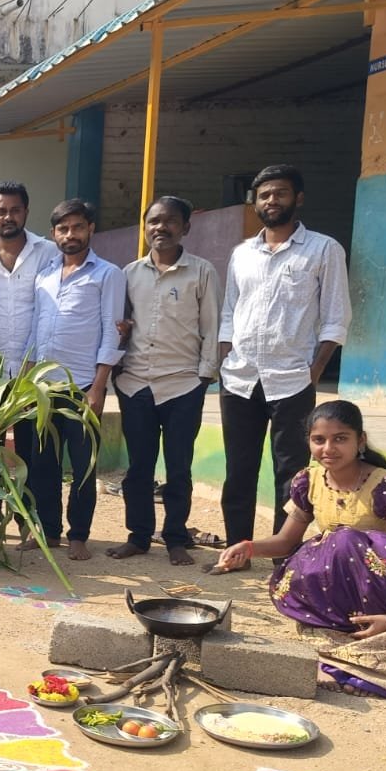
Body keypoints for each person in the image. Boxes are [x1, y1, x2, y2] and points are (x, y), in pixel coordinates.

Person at [217, 401, 386, 704]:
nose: (329, 448)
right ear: (309, 442)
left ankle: (380, 637)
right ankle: (345, 634)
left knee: (345, 542)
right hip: (346, 593)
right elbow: (286, 542)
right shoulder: (309, 480)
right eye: (319, 440)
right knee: (317, 552)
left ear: (361, 441)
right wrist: (248, 547)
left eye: (340, 438)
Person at [218, 164, 351, 567]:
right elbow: (229, 312)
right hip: (239, 379)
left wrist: (314, 371)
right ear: (254, 202)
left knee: (290, 474)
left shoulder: (324, 249)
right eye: (264, 195)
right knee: (238, 470)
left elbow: (335, 317)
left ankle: (284, 559)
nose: (271, 201)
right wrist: (224, 358)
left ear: (298, 199)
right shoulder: (242, 254)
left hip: (292, 380)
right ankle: (235, 551)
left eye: (280, 194)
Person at [107, 197, 221, 568]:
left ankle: (175, 538)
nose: (161, 228)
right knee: (138, 467)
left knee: (178, 467)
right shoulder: (128, 274)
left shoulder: (201, 272)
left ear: (185, 227)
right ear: (145, 227)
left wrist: (205, 376)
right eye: (153, 222)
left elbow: (211, 327)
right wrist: (119, 367)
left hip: (183, 384)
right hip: (136, 384)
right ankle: (138, 536)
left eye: (170, 222)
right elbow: (121, 325)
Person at [22, 198, 125, 561]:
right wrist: (27, 383)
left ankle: (78, 534)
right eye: (63, 229)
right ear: (54, 234)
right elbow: (37, 330)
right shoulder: (45, 274)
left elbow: (112, 334)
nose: (71, 234)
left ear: (90, 229)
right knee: (43, 465)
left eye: (78, 227)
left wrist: (99, 386)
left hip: (83, 387)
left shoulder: (107, 274)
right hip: (43, 388)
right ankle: (48, 531)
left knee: (83, 467)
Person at [0, 181, 59, 474]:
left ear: (26, 212)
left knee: (32, 451)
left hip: (34, 372)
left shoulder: (49, 253)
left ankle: (28, 519)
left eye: (15, 210)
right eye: (1, 211)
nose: (8, 217)